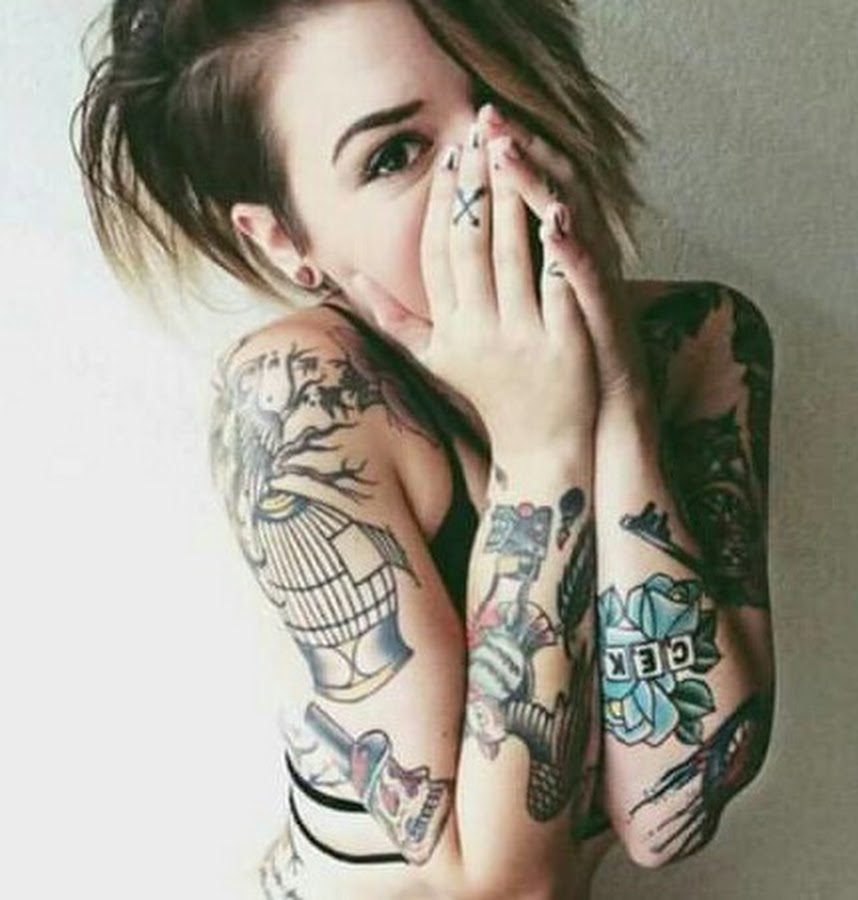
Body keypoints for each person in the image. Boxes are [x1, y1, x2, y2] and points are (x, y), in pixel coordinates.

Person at [72, 1, 777, 897]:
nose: (489, 169)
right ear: (288, 241)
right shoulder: (298, 402)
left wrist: (614, 391)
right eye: (394, 155)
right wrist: (539, 449)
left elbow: (667, 809)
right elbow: (504, 887)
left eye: (498, 98)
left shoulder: (705, 339)